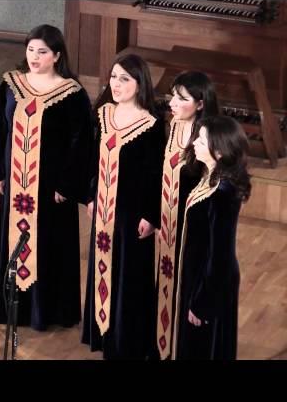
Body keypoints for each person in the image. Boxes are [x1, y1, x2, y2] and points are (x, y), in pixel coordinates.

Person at [0, 24, 93, 331]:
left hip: (51, 189)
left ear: (57, 55)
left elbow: (81, 142)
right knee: (15, 242)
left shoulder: (71, 94)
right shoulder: (11, 84)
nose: (34, 56)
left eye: (42, 51)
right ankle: (14, 309)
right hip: (15, 183)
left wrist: (68, 185)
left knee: (50, 247)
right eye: (30, 50)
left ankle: (49, 311)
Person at [81, 53, 166, 359]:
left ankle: (128, 339)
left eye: (124, 79)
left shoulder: (153, 124)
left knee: (130, 275)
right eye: (113, 77)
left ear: (140, 83)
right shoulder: (104, 114)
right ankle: (103, 333)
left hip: (133, 214)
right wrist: (91, 195)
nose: (115, 84)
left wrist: (150, 216)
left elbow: (155, 174)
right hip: (103, 210)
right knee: (102, 268)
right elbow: (94, 160)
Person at [172, 115, 250, 360]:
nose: (195, 142)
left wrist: (203, 301)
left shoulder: (223, 193)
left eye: (202, 140)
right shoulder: (210, 177)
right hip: (199, 272)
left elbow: (220, 254)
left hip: (210, 280)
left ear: (219, 150)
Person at [154, 71, 219, 360]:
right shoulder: (170, 128)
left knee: (187, 290)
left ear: (201, 104)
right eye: (172, 95)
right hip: (166, 227)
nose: (173, 102)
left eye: (182, 98)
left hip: (191, 232)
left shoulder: (208, 141)